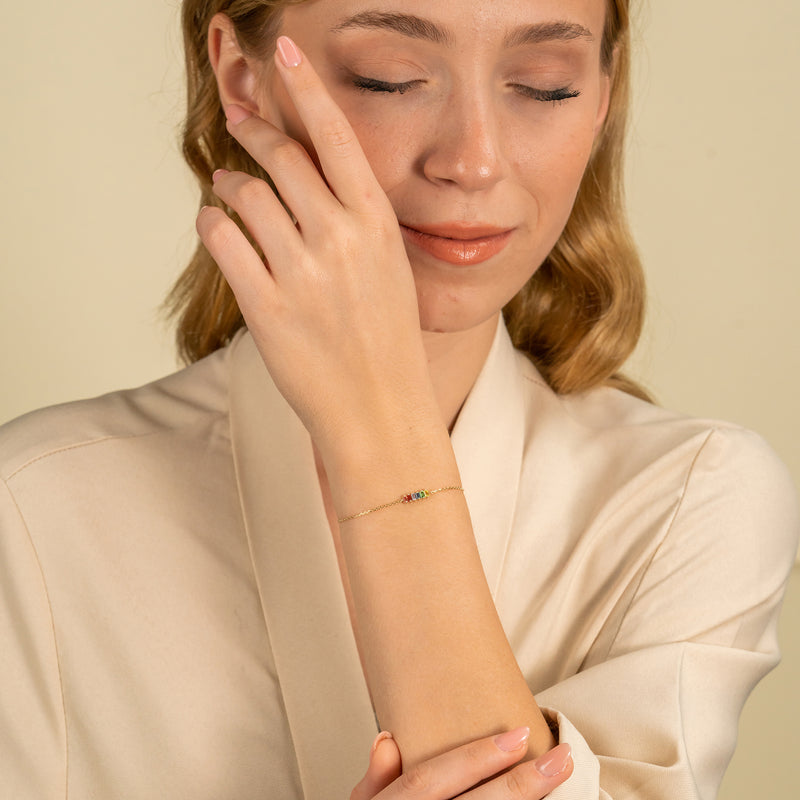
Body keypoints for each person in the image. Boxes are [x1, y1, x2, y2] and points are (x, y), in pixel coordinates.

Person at [0, 1, 796, 798]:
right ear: (242, 76)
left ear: (602, 97)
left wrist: (378, 438)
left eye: (544, 86)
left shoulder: (689, 498)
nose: (474, 161)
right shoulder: (32, 512)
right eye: (392, 80)